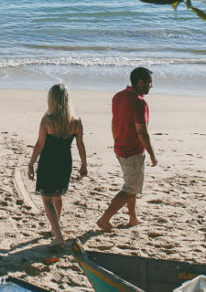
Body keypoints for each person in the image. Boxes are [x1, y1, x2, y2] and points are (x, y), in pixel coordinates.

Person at [96, 67, 157, 231]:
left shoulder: (118, 96)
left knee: (131, 185)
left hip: (120, 148)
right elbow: (142, 132)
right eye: (149, 83)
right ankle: (104, 219)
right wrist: (152, 154)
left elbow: (114, 122)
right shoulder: (139, 102)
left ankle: (132, 218)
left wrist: (116, 140)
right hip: (133, 151)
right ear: (140, 82)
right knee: (131, 189)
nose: (151, 86)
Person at [27, 83, 88, 246]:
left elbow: (39, 144)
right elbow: (80, 145)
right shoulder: (76, 121)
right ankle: (55, 228)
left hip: (48, 162)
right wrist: (84, 164)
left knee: (47, 199)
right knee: (58, 196)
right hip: (64, 163)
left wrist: (30, 164)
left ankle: (58, 236)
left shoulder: (47, 120)